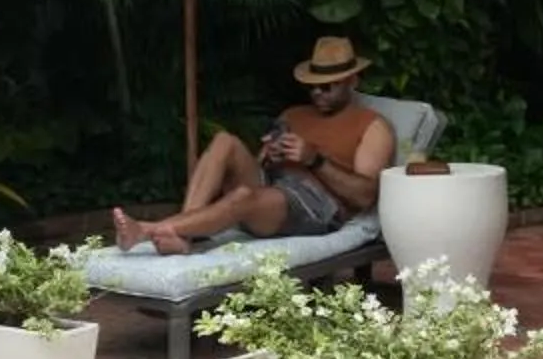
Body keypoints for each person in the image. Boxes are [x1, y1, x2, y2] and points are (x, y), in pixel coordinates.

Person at [113, 37, 395, 255]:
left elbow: (365, 196)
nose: (317, 93)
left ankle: (148, 230)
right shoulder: (293, 114)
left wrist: (315, 159)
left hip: (316, 203)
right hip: (275, 187)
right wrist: (269, 156)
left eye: (327, 86)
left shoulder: (371, 125)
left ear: (352, 81)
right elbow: (260, 166)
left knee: (243, 196)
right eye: (312, 86)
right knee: (224, 141)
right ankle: (184, 237)